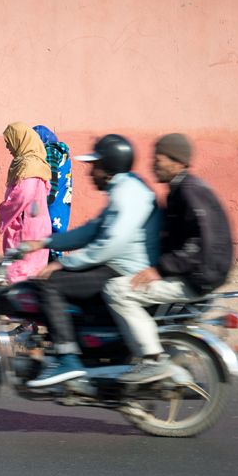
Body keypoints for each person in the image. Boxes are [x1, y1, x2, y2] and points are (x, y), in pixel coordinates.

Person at [20, 134, 161, 387]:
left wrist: (63, 263)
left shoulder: (126, 193)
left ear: (108, 167)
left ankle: (67, 357)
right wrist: (46, 242)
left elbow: (110, 243)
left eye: (95, 165)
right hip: (118, 264)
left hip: (125, 270)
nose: (90, 173)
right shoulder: (124, 188)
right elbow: (93, 230)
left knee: (49, 283)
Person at [103, 133, 234, 384]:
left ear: (177, 161)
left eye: (159, 158)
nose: (153, 164)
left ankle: (153, 360)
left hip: (196, 277)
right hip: (197, 272)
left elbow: (198, 244)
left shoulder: (188, 192)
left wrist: (160, 269)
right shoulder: (181, 189)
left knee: (118, 290)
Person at [0, 122, 52, 283]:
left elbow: (23, 194)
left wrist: (5, 208)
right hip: (34, 221)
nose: (7, 146)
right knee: (31, 267)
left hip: (27, 224)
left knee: (22, 266)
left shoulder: (29, 164)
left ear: (20, 139)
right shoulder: (33, 162)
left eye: (9, 141)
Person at [32, 125, 73, 236]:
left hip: (51, 208)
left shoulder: (50, 151)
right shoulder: (61, 152)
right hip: (59, 208)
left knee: (51, 241)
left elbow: (52, 179)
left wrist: (43, 203)